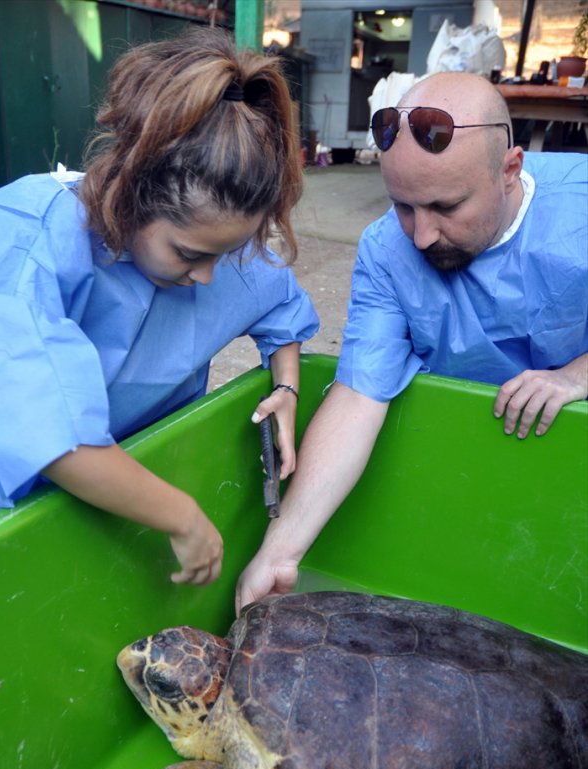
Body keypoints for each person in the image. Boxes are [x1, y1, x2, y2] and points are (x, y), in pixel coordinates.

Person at [0, 27, 318, 579]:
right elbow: (49, 440)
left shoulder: (207, 244)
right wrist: (181, 516)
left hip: (92, 493)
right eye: (188, 253)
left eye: (223, 255)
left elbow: (279, 303)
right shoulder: (33, 255)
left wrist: (287, 387)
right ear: (131, 194)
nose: (207, 277)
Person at [237, 71, 588, 612]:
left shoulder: (580, 212)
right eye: (403, 206)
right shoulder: (385, 250)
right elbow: (360, 392)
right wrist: (280, 551)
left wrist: (576, 375)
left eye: (446, 207)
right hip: (452, 454)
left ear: (510, 169)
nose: (420, 236)